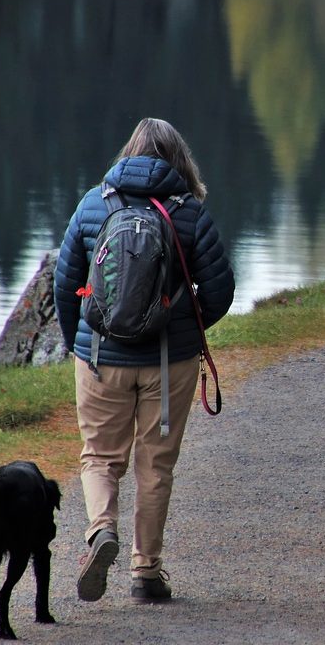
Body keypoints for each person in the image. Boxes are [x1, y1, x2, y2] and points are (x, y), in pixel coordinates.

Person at [53, 117, 234, 603]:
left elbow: (64, 284)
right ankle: (146, 573)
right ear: (179, 160)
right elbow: (219, 291)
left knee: (99, 457)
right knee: (155, 466)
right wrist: (184, 333)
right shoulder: (189, 213)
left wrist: (79, 343)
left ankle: (101, 531)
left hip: (98, 358)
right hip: (167, 362)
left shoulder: (94, 204)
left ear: (128, 153)